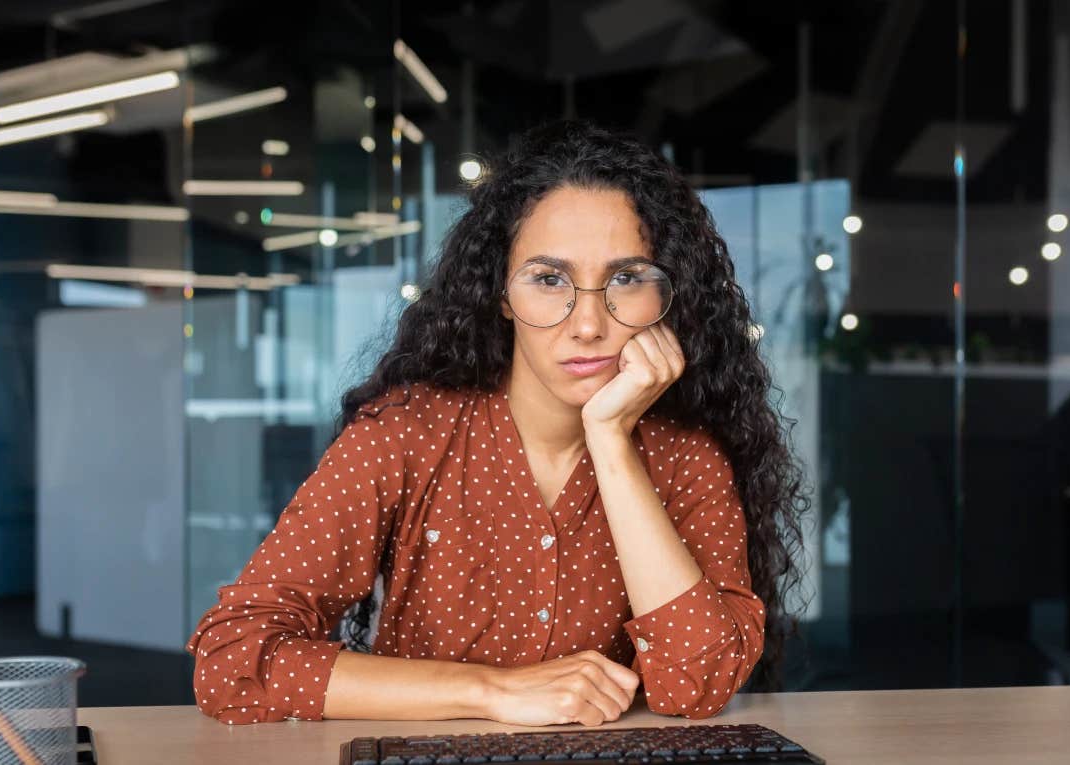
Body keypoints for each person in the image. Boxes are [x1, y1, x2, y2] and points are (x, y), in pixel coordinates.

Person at [185, 120, 808, 727]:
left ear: (669, 298)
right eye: (548, 279)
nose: (587, 323)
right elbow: (233, 657)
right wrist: (493, 692)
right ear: (502, 295)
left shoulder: (687, 459)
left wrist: (611, 441)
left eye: (625, 278)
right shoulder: (405, 434)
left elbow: (698, 686)